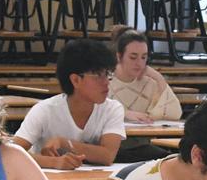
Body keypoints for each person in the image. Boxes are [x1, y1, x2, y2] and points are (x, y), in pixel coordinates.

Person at [13, 39, 125, 170]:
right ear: (75, 80)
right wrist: (53, 162)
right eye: (98, 75)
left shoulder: (112, 109)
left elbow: (108, 155)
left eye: (107, 74)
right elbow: (12, 152)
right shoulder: (45, 110)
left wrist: (65, 143)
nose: (106, 82)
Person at [108, 27, 182, 123]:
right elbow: (95, 112)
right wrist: (124, 113)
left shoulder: (151, 81)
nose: (139, 63)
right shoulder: (104, 81)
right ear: (119, 56)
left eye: (143, 57)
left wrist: (159, 78)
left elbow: (175, 113)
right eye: (133, 57)